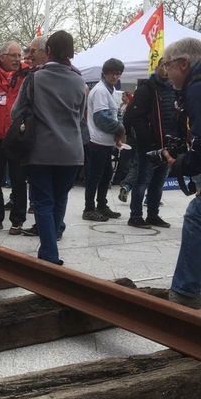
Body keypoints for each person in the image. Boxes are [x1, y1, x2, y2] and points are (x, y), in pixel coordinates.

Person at [12, 30, 85, 265]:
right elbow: (81, 116)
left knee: (43, 201)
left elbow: (16, 112)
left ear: (49, 51)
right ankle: (49, 248)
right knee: (60, 198)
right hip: (72, 152)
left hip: (40, 150)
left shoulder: (35, 78)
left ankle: (49, 254)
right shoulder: (79, 80)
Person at [162, 38, 201, 309]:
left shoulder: (196, 88)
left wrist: (180, 164)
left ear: (183, 64)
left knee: (196, 216)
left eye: (168, 65)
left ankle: (185, 295)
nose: (166, 72)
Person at [124, 58, 177, 229]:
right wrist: (145, 139)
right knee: (142, 181)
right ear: (157, 67)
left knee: (158, 182)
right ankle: (135, 216)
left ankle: (153, 215)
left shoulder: (174, 89)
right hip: (149, 145)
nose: (167, 70)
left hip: (168, 145)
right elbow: (133, 117)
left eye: (170, 66)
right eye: (164, 66)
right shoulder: (146, 89)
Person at [0, 41, 28, 234]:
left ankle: (17, 220)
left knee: (18, 180)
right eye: (14, 56)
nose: (18, 59)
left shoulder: (28, 74)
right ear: (2, 57)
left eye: (19, 56)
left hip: (17, 136)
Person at [83, 58, 126, 222]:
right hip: (97, 141)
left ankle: (101, 204)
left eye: (118, 73)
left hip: (106, 141)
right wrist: (120, 129)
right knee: (94, 176)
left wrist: (118, 129)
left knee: (106, 174)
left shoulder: (110, 89)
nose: (115, 76)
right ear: (105, 73)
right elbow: (101, 118)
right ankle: (89, 208)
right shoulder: (100, 91)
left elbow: (114, 114)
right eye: (112, 73)